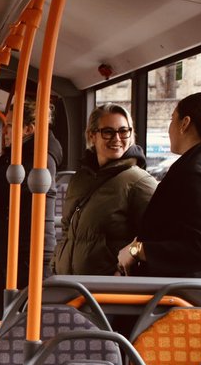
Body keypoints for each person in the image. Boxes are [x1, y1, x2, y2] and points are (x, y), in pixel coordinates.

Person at [117, 92, 201, 292]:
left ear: (185, 123)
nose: (169, 129)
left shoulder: (196, 172)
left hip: (179, 301)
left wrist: (137, 250)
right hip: (196, 296)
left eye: (172, 119)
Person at [0, 98, 63, 317]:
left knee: (17, 320)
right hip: (14, 249)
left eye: (9, 125)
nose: (4, 130)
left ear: (29, 128)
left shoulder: (30, 158)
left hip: (24, 252)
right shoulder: (21, 154)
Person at [52, 103, 156, 275]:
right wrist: (56, 264)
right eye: (108, 132)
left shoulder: (139, 182)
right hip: (72, 287)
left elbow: (153, 239)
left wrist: (121, 274)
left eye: (123, 131)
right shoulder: (80, 179)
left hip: (108, 290)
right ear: (92, 136)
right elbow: (67, 229)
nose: (117, 139)